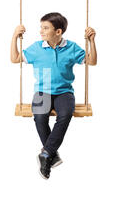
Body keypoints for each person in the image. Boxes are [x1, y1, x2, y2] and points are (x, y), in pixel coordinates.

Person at [10, 12, 97, 179]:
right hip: (43, 91)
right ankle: (51, 154)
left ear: (58, 32)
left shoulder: (71, 47)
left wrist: (92, 41)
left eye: (45, 28)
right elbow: (14, 58)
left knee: (65, 115)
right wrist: (15, 36)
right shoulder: (37, 48)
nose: (41, 31)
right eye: (41, 27)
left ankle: (46, 153)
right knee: (40, 117)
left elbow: (91, 61)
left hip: (64, 91)